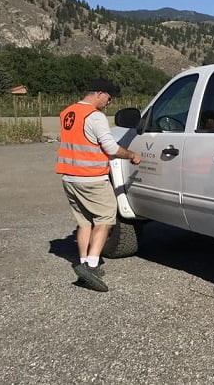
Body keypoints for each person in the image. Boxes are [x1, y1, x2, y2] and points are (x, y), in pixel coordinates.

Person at [56, 78, 141, 292]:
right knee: (105, 219)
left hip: (69, 177)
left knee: (85, 222)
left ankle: (84, 262)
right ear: (100, 94)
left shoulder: (68, 112)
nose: (109, 103)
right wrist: (131, 155)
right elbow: (111, 148)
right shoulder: (95, 116)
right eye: (109, 98)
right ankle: (92, 266)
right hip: (91, 178)